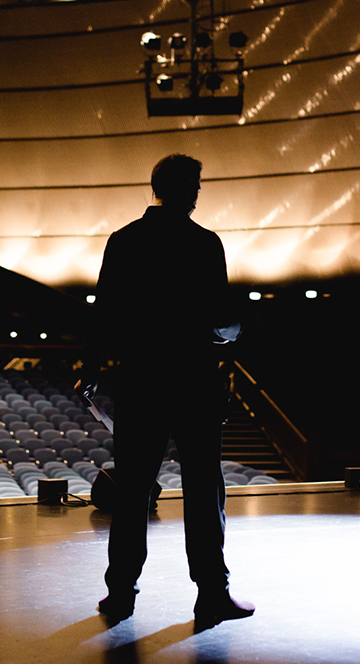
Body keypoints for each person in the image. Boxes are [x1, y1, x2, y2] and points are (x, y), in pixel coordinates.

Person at [85, 154, 253, 627]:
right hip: (194, 383)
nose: (198, 194)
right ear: (185, 190)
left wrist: (91, 367)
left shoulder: (123, 241)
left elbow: (103, 313)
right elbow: (220, 321)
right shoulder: (205, 243)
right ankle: (212, 593)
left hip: (140, 382)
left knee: (132, 491)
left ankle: (120, 594)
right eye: (196, 185)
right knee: (204, 492)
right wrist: (234, 329)